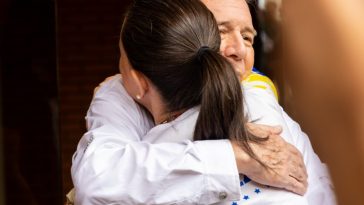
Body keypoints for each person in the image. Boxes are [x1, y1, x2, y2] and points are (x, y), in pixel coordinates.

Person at [70, 0, 315, 204]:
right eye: (220, 31)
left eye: (248, 37)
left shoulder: (257, 96)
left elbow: (316, 184)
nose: (239, 49)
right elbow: (99, 177)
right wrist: (235, 155)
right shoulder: (121, 92)